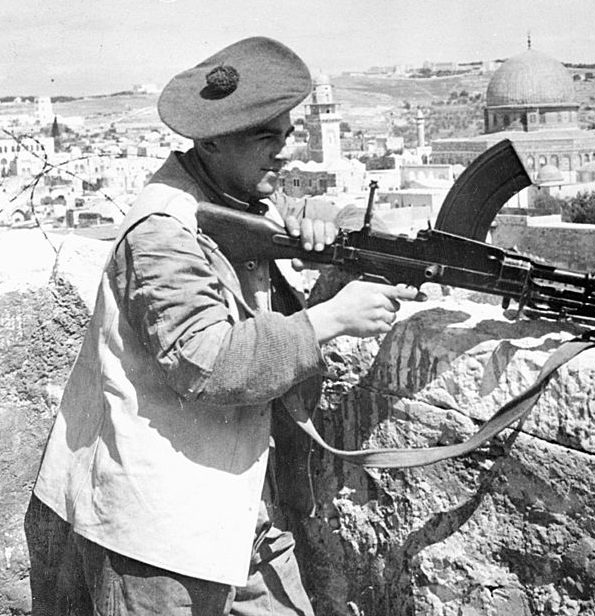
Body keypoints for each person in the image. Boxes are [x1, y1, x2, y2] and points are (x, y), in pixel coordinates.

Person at [24, 36, 417, 615]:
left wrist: (333, 224)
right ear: (208, 140)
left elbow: (274, 221)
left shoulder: (233, 192)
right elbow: (208, 363)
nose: (282, 152)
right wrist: (330, 319)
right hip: (152, 533)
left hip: (237, 514)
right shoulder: (162, 232)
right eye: (265, 138)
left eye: (286, 134)